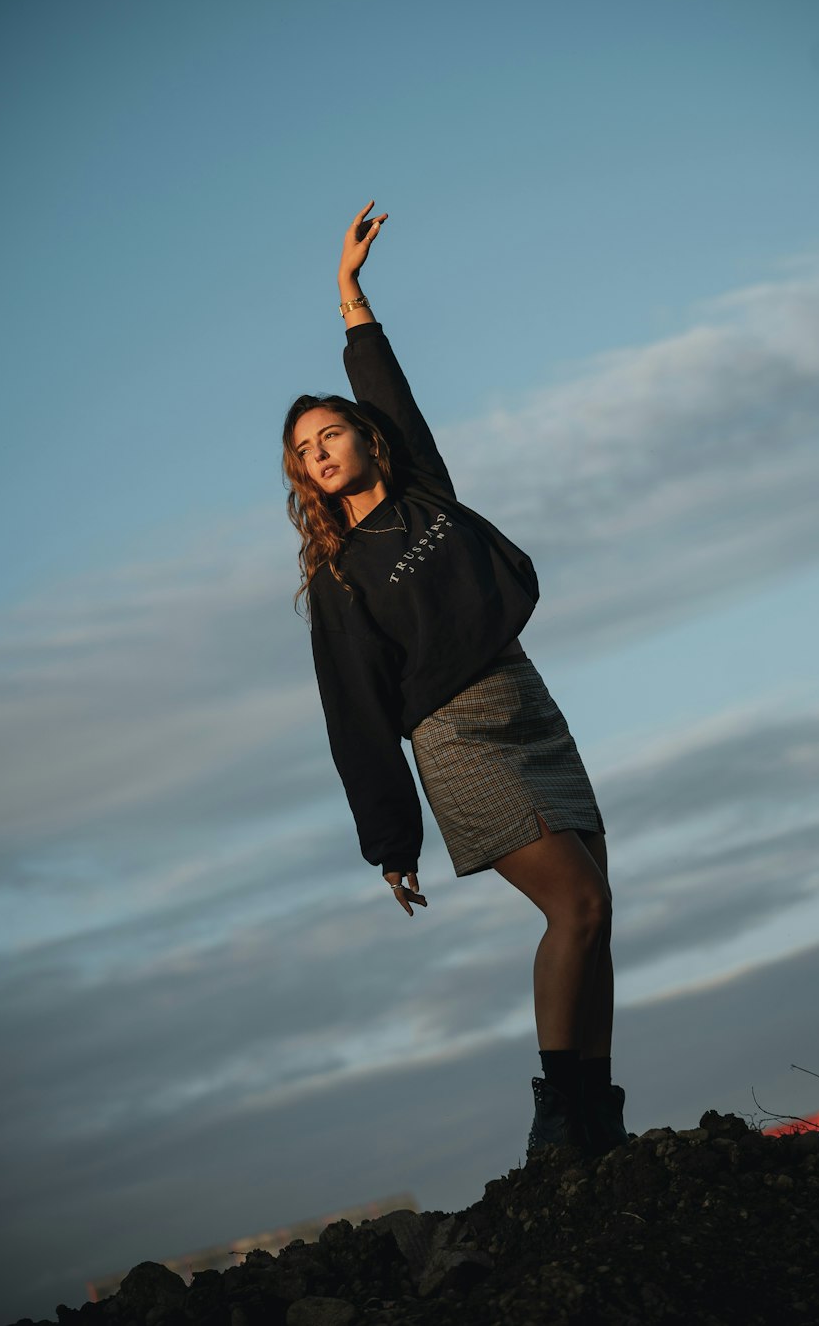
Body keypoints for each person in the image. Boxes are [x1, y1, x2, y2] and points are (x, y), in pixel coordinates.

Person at [282, 201, 629, 1161]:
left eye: (329, 435)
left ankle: (595, 1118)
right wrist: (391, 840)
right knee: (579, 907)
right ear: (305, 480)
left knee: (599, 910)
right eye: (304, 452)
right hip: (456, 737)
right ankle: (559, 1120)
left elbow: (390, 388)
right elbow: (354, 719)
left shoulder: (424, 488)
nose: (320, 453)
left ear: (362, 438)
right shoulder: (340, 581)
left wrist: (351, 298)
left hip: (527, 701)